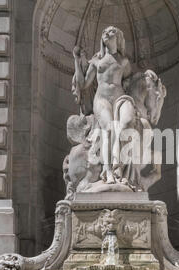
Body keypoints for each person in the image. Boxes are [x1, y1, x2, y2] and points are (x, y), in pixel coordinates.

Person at [72, 26, 132, 184]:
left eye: (111, 31)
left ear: (118, 38)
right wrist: (77, 62)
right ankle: (108, 170)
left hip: (119, 98)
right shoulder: (96, 60)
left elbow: (129, 82)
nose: (106, 33)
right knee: (109, 129)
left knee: (123, 127)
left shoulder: (124, 61)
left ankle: (119, 168)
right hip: (102, 99)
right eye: (104, 31)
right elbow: (84, 84)